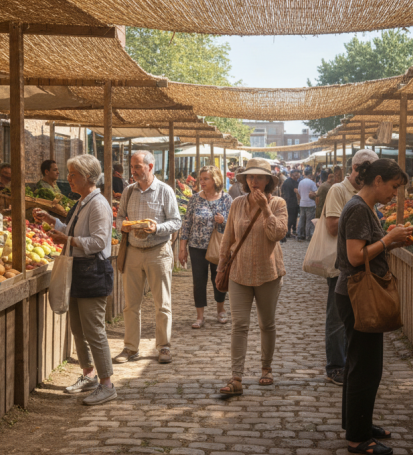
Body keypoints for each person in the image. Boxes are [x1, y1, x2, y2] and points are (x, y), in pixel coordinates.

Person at [336, 158, 412, 454]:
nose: (395, 193)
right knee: (366, 368)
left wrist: (391, 241)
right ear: (377, 180)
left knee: (361, 364)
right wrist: (389, 239)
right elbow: (355, 256)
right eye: (394, 187)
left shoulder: (363, 208)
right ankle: (358, 438)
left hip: (356, 293)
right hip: (359, 295)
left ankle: (359, 423)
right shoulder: (357, 209)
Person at [32, 154, 116, 406]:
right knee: (78, 329)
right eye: (68, 174)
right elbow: (75, 230)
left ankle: (107, 384)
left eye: (73, 175)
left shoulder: (98, 204)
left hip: (93, 272)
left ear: (88, 177)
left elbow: (99, 242)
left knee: (94, 330)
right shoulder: (82, 202)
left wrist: (68, 241)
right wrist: (52, 221)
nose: (68, 179)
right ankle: (89, 374)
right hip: (79, 270)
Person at [216, 158, 288, 396]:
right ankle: (236, 377)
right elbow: (228, 237)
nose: (254, 181)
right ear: (245, 180)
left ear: (268, 180)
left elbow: (277, 234)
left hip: (268, 272)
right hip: (238, 271)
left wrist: (266, 208)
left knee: (267, 323)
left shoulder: (278, 203)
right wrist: (221, 267)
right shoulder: (236, 203)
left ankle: (266, 369)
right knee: (239, 325)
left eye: (259, 177)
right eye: (250, 177)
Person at [114, 151, 182, 364]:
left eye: (137, 167)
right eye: (132, 167)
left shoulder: (165, 191)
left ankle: (163, 347)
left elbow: (176, 222)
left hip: (158, 252)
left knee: (162, 303)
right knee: (131, 305)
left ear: (150, 167)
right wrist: (123, 226)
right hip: (133, 252)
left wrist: (157, 227)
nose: (132, 171)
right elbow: (118, 218)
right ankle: (130, 348)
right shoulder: (128, 191)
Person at [321, 149, 378, 386]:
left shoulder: (367, 193)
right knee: (336, 318)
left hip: (359, 267)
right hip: (341, 265)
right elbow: (333, 227)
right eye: (362, 170)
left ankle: (350, 364)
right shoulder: (339, 190)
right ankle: (335, 366)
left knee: (353, 319)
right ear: (353, 168)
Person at [178, 165, 232, 328]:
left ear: (215, 180)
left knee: (219, 279)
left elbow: (234, 224)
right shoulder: (194, 199)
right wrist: (182, 248)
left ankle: (220, 310)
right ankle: (200, 316)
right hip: (197, 247)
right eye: (200, 179)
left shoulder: (226, 198)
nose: (201, 182)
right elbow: (187, 223)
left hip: (219, 247)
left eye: (205, 179)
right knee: (198, 281)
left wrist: (224, 221)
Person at [297, 171, 318, 241]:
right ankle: (308, 236)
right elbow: (316, 192)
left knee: (301, 219)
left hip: (302, 203)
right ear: (310, 175)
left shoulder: (300, 182)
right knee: (309, 220)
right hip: (310, 204)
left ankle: (299, 234)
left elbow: (299, 192)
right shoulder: (312, 183)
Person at [281, 170, 301, 238]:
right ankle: (288, 231)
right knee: (291, 217)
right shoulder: (289, 182)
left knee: (293, 216)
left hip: (291, 201)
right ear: (291, 175)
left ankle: (292, 230)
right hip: (290, 202)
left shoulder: (293, 181)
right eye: (295, 175)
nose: (297, 176)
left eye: (298, 174)